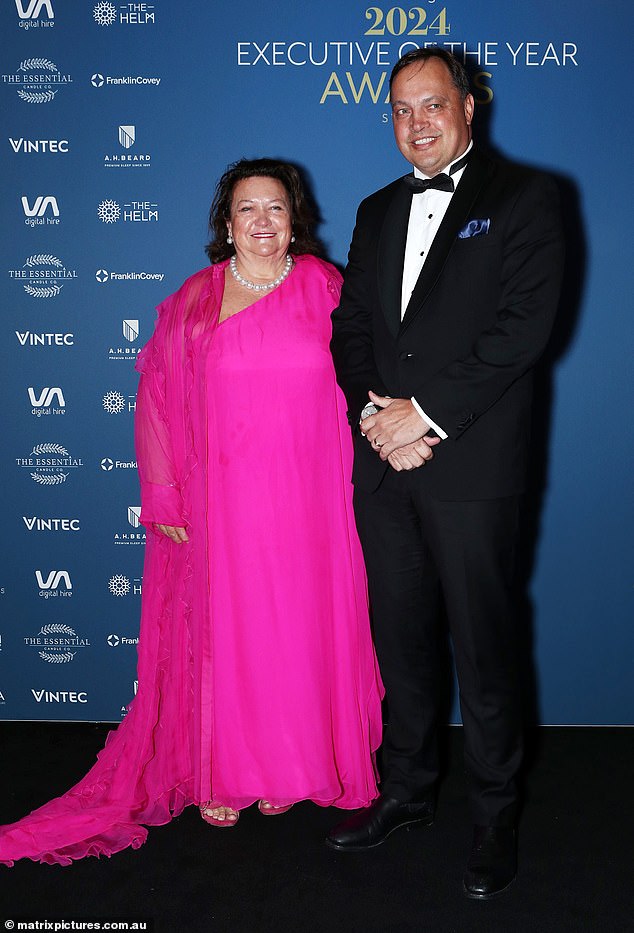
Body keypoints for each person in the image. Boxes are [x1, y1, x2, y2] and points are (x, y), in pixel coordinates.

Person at [0, 158, 383, 865]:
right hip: (221, 498)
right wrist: (166, 490)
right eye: (247, 209)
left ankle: (287, 764)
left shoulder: (326, 288)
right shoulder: (196, 300)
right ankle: (226, 771)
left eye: (275, 207)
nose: (263, 221)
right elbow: (155, 401)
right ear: (226, 223)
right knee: (225, 632)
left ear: (295, 218)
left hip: (310, 495)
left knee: (295, 628)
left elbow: (367, 370)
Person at [326, 48, 564, 899]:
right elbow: (350, 326)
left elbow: (523, 327)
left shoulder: (528, 197)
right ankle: (409, 790)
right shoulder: (373, 208)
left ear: (468, 106)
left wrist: (419, 415)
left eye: (432, 105)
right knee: (403, 643)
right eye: (400, 109)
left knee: (485, 648)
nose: (415, 123)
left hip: (470, 466)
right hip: (385, 466)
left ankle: (496, 814)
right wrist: (373, 413)